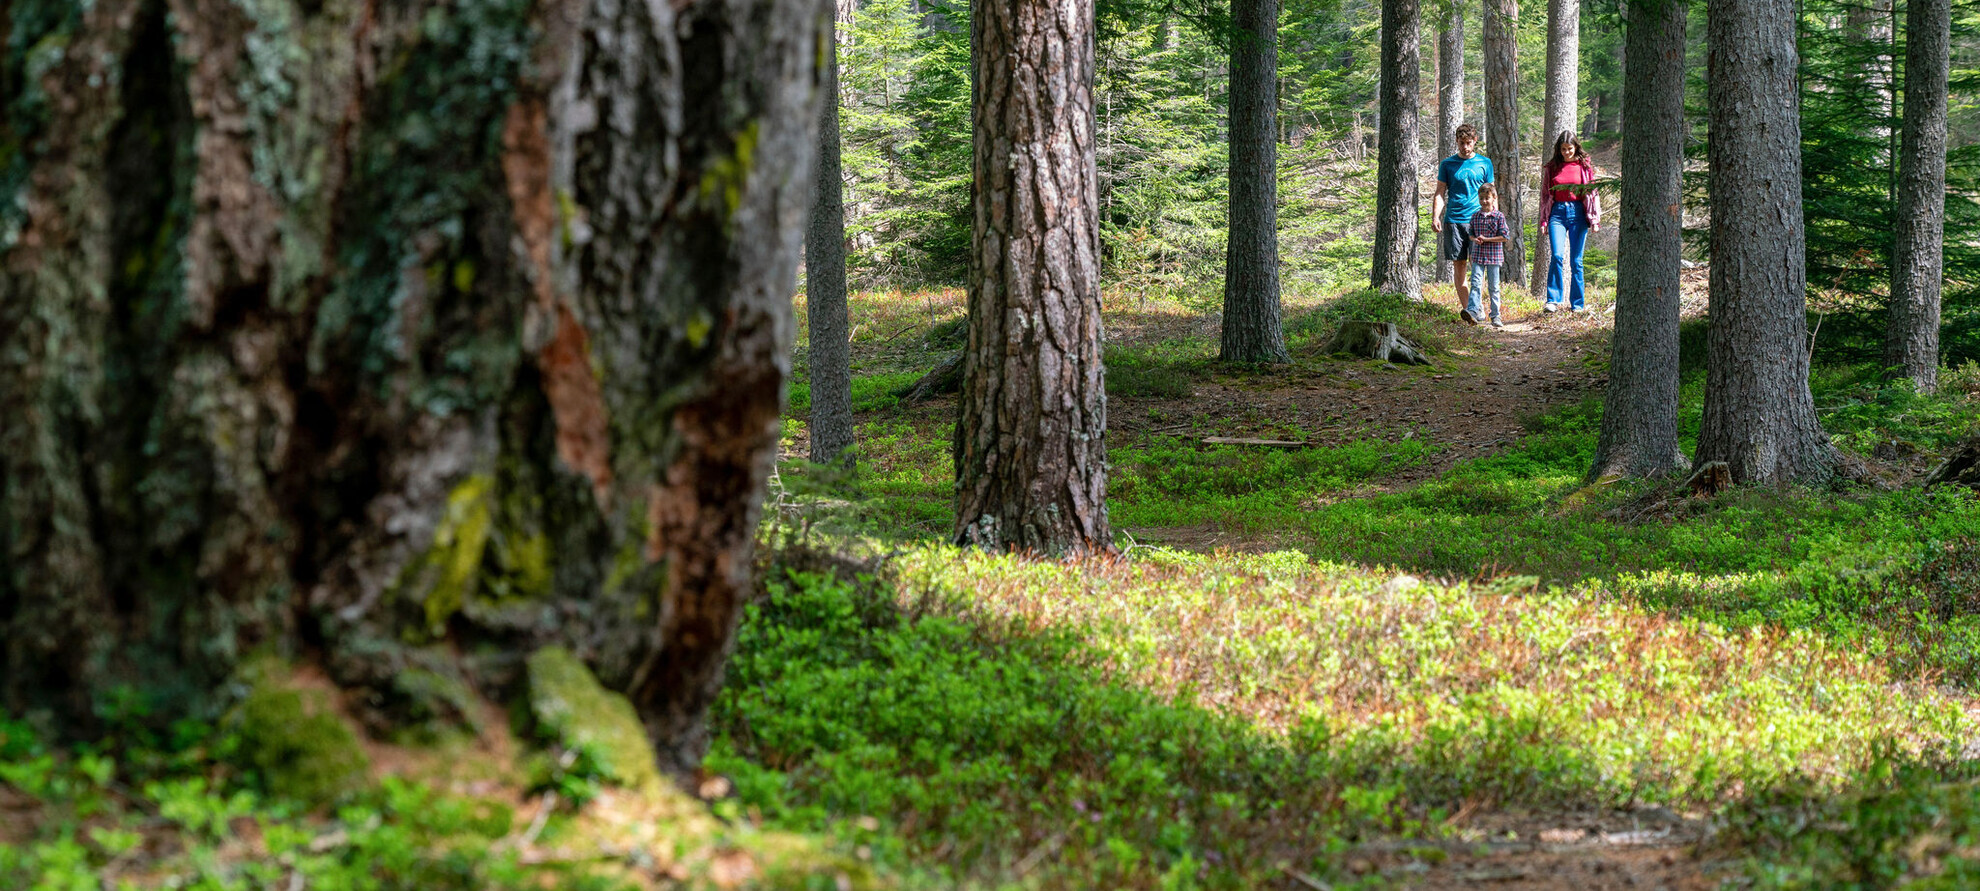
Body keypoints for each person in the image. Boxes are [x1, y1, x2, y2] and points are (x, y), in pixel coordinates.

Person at [1431, 124, 1495, 312]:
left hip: (1478, 221)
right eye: (1461, 143)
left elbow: (1492, 194)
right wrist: (1436, 216)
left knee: (1477, 266)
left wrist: (1494, 218)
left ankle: (1477, 306)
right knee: (1459, 264)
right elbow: (1440, 193)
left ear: (1475, 141)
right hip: (1454, 220)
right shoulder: (1447, 164)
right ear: (1456, 142)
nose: (1465, 147)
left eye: (1468, 143)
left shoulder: (1485, 163)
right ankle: (1470, 310)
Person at [1538, 130, 1601, 313]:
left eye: (1569, 148)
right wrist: (1544, 221)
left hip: (1578, 213)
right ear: (1558, 149)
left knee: (1576, 261)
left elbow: (1592, 194)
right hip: (1557, 213)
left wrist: (1595, 219)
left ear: (1576, 147)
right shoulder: (1553, 167)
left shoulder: (1584, 166)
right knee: (1557, 255)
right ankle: (1552, 300)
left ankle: (1577, 304)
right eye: (1563, 149)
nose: (1566, 152)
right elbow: (1545, 196)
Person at [1465, 185, 1509, 327]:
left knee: (1494, 287)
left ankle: (1495, 316)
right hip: (1477, 255)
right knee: (1476, 283)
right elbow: (1471, 234)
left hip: (1494, 257)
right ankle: (1473, 311)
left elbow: (1504, 237)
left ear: (1494, 198)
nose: (1484, 201)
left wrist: (1487, 239)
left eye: (1487, 198)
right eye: (1481, 198)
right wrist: (1474, 239)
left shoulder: (1498, 216)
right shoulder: (1475, 216)